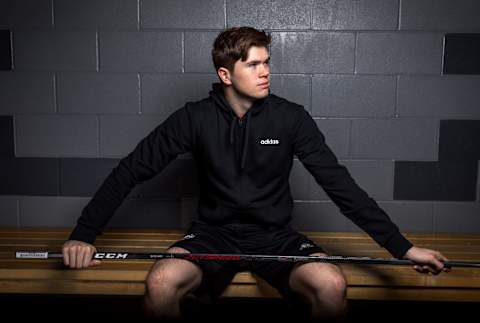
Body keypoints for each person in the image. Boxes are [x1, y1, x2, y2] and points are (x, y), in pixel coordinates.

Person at [62, 26, 450, 322]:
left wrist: (402, 247)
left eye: (267, 63)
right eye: (253, 64)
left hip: (274, 236)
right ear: (226, 74)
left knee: (331, 285)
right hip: (214, 235)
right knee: (161, 283)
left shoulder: (291, 118)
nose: (265, 72)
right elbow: (130, 171)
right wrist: (83, 235)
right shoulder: (194, 118)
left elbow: (340, 186)